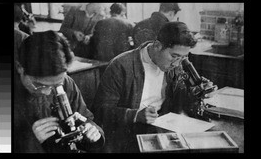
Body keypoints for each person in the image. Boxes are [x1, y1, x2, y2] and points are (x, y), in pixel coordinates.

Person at [91, 22, 217, 153]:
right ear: (157, 46)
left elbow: (180, 101)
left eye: (183, 58)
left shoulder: (175, 66)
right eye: (174, 56)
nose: (177, 63)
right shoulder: (120, 66)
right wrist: (135, 115)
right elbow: (100, 111)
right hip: (127, 134)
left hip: (162, 128)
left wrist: (197, 92)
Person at [14, 30, 105, 153]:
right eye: (40, 85)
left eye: (56, 85)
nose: (47, 93)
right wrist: (31, 141)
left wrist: (93, 133)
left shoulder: (66, 83)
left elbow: (86, 118)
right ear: (20, 68)